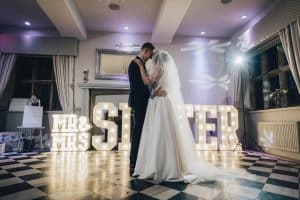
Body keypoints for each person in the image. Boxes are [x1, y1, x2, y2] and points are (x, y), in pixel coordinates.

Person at [133, 50, 237, 183]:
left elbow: (148, 83)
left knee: (161, 132)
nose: (153, 60)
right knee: (160, 132)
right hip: (159, 102)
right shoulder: (162, 68)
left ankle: (163, 166)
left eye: (154, 58)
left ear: (159, 60)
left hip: (160, 103)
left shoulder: (159, 69)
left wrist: (141, 67)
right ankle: (160, 163)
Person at [127, 42, 165, 176]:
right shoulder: (135, 63)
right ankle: (133, 162)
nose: (150, 58)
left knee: (143, 131)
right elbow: (140, 85)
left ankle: (140, 160)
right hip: (139, 103)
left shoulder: (140, 63)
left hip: (144, 102)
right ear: (146, 51)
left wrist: (153, 93)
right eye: (150, 55)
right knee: (138, 131)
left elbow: (147, 84)